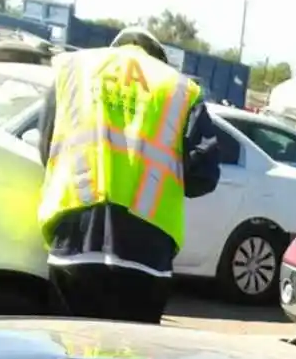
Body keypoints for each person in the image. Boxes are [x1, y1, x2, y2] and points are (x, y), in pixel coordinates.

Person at [36, 27, 221, 323]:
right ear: (159, 58)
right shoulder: (178, 89)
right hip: (146, 253)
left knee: (71, 358)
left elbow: (47, 149)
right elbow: (204, 175)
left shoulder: (74, 69)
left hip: (74, 240)